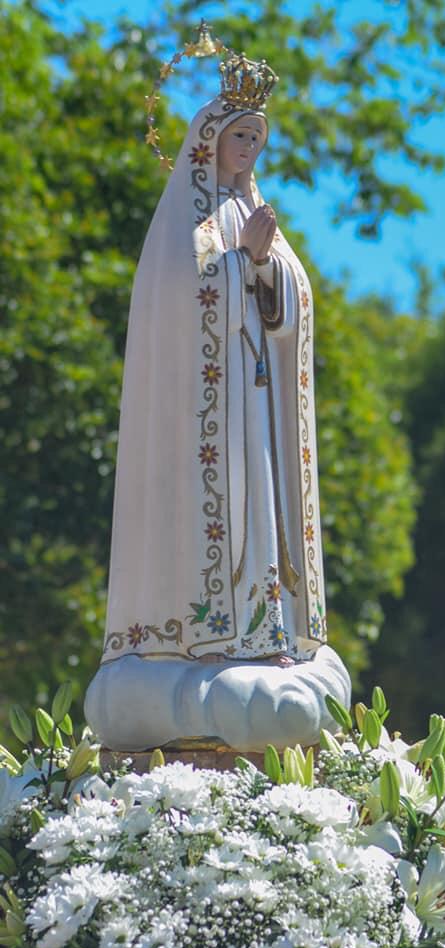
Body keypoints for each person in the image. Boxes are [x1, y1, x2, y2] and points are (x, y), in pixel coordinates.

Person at [100, 52, 328, 672]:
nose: (249, 149)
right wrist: (240, 261)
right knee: (220, 506)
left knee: (261, 502)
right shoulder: (185, 219)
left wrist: (266, 264)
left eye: (257, 139)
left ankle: (266, 629)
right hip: (207, 406)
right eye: (240, 136)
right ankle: (208, 632)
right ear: (211, 141)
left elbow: (292, 304)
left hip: (255, 394)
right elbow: (182, 296)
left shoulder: (254, 211)